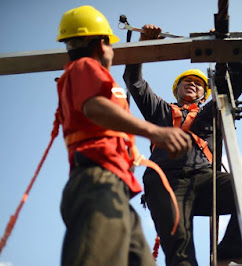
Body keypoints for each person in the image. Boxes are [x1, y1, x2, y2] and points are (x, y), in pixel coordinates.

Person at [56, 7, 192, 266]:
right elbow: (93, 106)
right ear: (100, 43)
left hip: (113, 186)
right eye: (110, 44)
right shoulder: (86, 66)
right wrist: (155, 131)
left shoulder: (83, 73)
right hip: (97, 182)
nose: (113, 51)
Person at [123, 25, 242, 266]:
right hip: (165, 181)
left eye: (198, 84)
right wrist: (143, 43)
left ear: (204, 92)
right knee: (181, 255)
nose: (192, 84)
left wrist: (223, 43)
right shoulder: (161, 111)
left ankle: (229, 252)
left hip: (203, 179)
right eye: (186, 82)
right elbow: (133, 81)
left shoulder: (212, 111)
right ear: (176, 90)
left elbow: (239, 80)